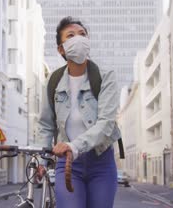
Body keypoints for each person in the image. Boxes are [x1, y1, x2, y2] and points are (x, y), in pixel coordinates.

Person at [35, 16, 122, 208]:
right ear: (61, 49)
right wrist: (42, 160)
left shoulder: (105, 76)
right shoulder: (53, 81)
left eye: (83, 34)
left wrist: (74, 146)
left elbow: (106, 123)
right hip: (67, 165)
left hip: (101, 162)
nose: (79, 39)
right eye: (71, 35)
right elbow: (45, 125)